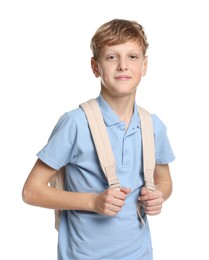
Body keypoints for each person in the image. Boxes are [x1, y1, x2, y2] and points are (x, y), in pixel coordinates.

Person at [22, 18, 175, 260]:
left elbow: (164, 181)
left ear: (144, 66)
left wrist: (158, 195)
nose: (123, 65)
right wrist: (93, 201)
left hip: (140, 254)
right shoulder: (75, 123)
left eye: (132, 57)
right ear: (95, 67)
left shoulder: (153, 125)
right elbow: (31, 191)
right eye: (112, 57)